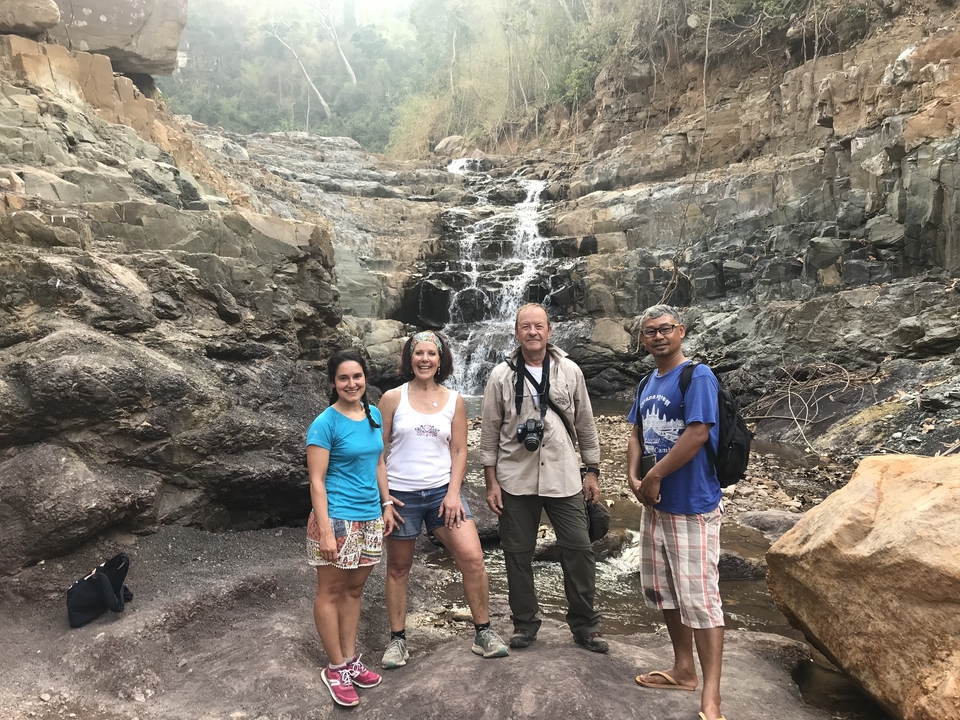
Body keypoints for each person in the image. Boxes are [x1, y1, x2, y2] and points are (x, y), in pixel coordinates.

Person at [480, 303, 608, 653]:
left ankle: (585, 625)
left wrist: (592, 471)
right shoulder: (500, 376)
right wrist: (491, 482)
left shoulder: (569, 371)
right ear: (516, 332)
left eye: (539, 326)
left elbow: (586, 424)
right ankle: (525, 624)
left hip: (564, 476)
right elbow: (489, 432)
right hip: (514, 478)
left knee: (579, 548)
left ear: (549, 331)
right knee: (517, 553)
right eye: (525, 326)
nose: (532, 332)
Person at [378, 330, 509, 668]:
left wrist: (454, 493)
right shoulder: (392, 398)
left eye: (431, 354)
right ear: (410, 359)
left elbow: (460, 449)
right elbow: (377, 452)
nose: (424, 359)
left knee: (473, 558)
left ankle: (483, 632)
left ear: (440, 360)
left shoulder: (454, 400)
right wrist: (386, 499)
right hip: (402, 495)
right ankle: (397, 641)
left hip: (441, 494)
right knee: (398, 568)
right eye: (418, 353)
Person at [626, 305, 726, 720]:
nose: (658, 337)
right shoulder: (648, 381)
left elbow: (699, 432)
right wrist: (634, 475)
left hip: (692, 505)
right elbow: (635, 429)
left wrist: (654, 477)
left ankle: (712, 698)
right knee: (665, 590)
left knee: (701, 599)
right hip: (656, 507)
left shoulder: (697, 375)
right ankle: (684, 670)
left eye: (665, 329)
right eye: (650, 332)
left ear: (680, 331)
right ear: (643, 339)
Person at [306, 350, 397, 708]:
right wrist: (326, 530)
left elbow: (378, 462)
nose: (351, 384)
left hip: (370, 517)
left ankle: (349, 659)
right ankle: (334, 668)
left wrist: (387, 503)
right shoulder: (324, 424)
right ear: (333, 383)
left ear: (365, 378)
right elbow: (316, 481)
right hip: (338, 518)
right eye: (343, 378)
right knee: (330, 591)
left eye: (357, 377)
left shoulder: (373, 414)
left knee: (355, 591)